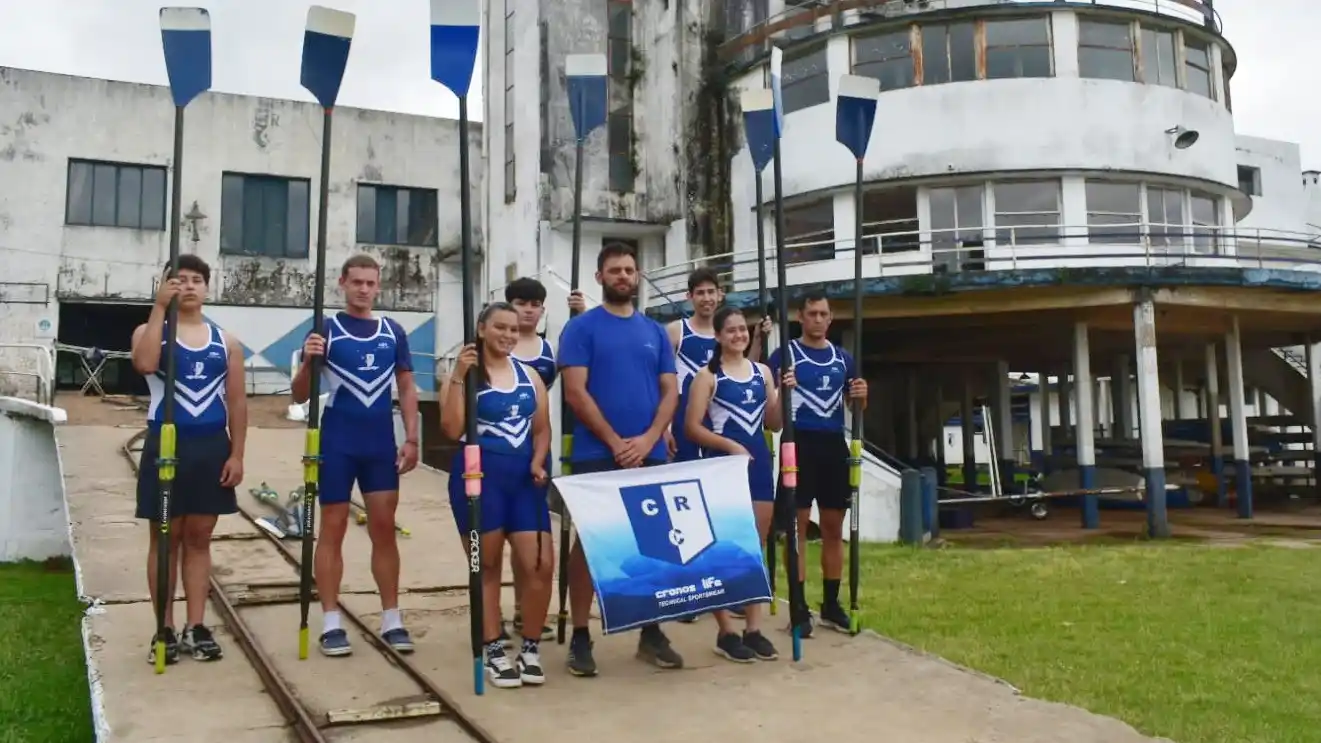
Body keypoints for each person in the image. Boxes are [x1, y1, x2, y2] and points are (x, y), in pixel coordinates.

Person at [557, 241, 681, 677]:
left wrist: (647, 440)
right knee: (590, 546)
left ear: (637, 276)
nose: (623, 276)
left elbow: (671, 391)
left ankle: (650, 632)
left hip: (649, 454)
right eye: (615, 270)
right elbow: (575, 391)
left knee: (653, 545)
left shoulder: (654, 332)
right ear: (599, 277)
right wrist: (614, 441)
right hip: (597, 453)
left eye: (630, 269)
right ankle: (579, 636)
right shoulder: (581, 329)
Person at [292, 254, 420, 657]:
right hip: (338, 440)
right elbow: (299, 395)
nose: (364, 289)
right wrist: (309, 361)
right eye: (357, 282)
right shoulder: (325, 329)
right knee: (332, 528)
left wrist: (413, 438)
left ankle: (392, 618)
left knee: (384, 527)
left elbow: (407, 387)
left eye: (371, 283)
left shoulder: (393, 331)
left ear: (378, 286)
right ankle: (331, 622)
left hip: (380, 441)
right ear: (343, 283)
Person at [131, 255, 246, 666]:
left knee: (199, 538)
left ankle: (196, 626)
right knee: (165, 538)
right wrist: (160, 307)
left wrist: (237, 453)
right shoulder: (149, 331)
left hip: (209, 447)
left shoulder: (225, 341)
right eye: (179, 280)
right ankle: (162, 626)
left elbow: (236, 401)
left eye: (197, 280)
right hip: (165, 445)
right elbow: (144, 364)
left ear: (207, 288)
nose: (190, 286)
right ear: (165, 285)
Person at [441, 302, 555, 689]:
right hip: (478, 478)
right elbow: (451, 428)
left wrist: (539, 462)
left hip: (524, 480)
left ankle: (532, 648)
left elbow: (541, 430)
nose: (508, 335)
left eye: (513, 329)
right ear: (482, 328)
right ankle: (491, 646)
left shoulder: (530, 376)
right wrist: (458, 375)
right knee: (485, 566)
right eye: (500, 328)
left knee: (539, 565)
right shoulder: (467, 375)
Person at [683, 306, 793, 662]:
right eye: (729, 331)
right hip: (722, 467)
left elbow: (773, 423)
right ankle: (726, 631)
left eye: (742, 331)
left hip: (758, 464)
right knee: (722, 546)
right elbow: (692, 427)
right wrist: (729, 445)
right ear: (718, 336)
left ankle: (754, 628)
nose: (738, 336)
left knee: (754, 546)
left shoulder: (762, 373)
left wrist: (785, 393)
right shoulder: (708, 375)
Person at [665, 269, 769, 623]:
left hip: (731, 434)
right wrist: (664, 425)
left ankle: (736, 595)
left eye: (713, 291)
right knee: (690, 516)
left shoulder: (739, 349)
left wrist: (759, 343)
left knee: (742, 529)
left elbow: (751, 378)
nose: (707, 297)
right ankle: (690, 591)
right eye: (701, 292)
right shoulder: (677, 331)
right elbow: (663, 381)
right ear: (690, 296)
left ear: (721, 295)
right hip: (687, 426)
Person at [765, 292, 868, 637]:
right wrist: (782, 390)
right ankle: (797, 606)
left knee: (833, 528)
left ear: (831, 317)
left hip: (833, 445)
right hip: (800, 444)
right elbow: (774, 422)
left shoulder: (843, 359)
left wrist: (861, 397)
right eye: (812, 314)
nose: (818, 320)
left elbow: (856, 409)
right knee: (795, 530)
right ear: (800, 317)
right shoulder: (785, 355)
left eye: (823, 314)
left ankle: (831, 603)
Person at [502, 277, 557, 646]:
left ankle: (526, 608)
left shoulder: (549, 349)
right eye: (521, 302)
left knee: (532, 539)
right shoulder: (499, 343)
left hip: (538, 446)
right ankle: (499, 612)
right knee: (503, 535)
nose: (528, 309)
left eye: (535, 303)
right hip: (499, 449)